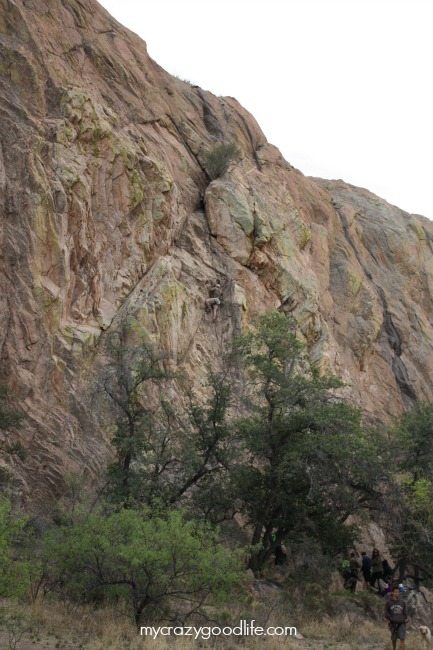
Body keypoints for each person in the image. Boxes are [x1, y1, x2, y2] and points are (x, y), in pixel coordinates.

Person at [385, 582, 408, 649]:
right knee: (394, 639)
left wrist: (406, 618)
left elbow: (405, 612)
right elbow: (386, 612)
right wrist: (390, 618)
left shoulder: (402, 602)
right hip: (393, 623)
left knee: (402, 639)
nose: (397, 593)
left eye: (398, 592)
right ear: (392, 593)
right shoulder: (389, 602)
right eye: (395, 592)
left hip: (402, 623)